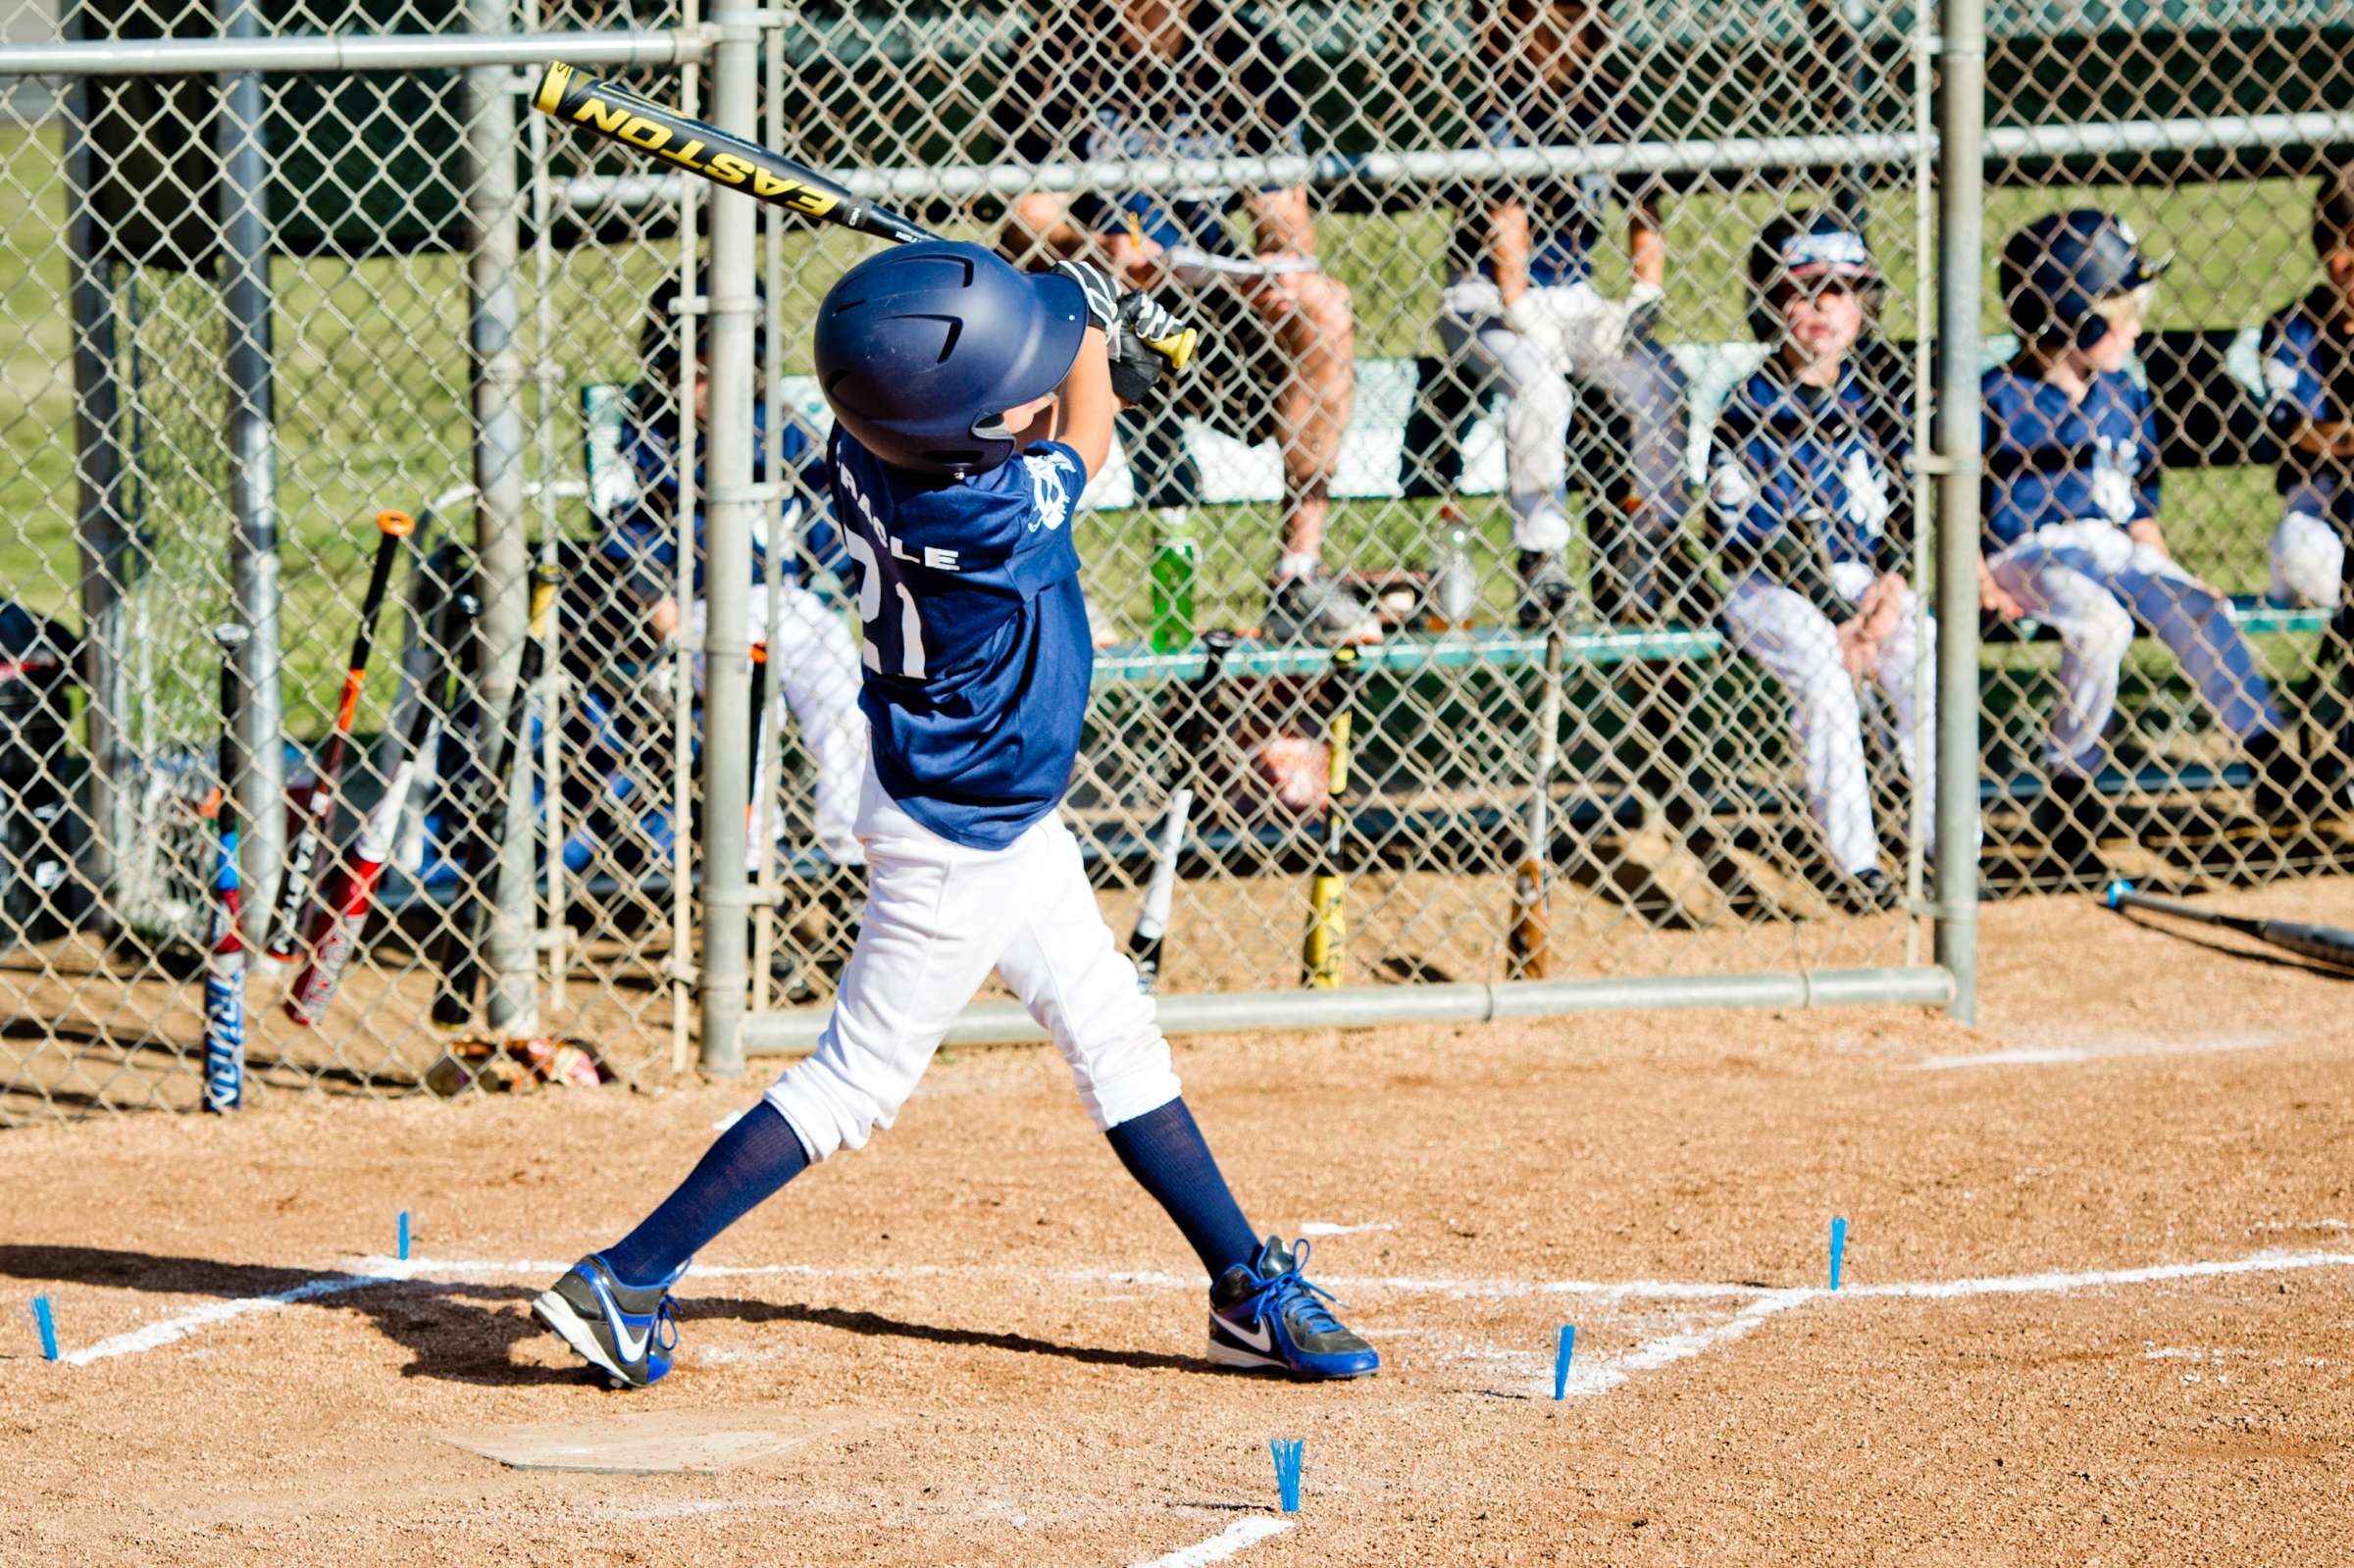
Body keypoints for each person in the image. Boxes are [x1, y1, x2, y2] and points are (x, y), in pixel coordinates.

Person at [532, 242, 1378, 1389]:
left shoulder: (865, 447)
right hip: (959, 834)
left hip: (987, 808)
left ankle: (1243, 1288)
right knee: (854, 1083)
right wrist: (1087, 325)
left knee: (1110, 1030)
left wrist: (1069, 334)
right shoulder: (987, 514)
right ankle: (627, 1276)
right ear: (974, 431)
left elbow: (1004, 404)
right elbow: (1084, 435)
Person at [993, 0, 1377, 645]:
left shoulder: (1242, 54)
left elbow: (1286, 220)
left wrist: (1278, 272)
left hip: (1212, 311)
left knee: (1325, 305)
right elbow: (1026, 218)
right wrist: (1093, 247)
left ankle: (1297, 575)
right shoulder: (1056, 54)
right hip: (1099, 304)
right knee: (1049, 325)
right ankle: (1037, 585)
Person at [1978, 209, 2317, 871]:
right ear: (2066, 316)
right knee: (2102, 624)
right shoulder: (1998, 396)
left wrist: (2168, 572)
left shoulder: (2121, 394)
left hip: (2108, 545)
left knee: (2197, 604)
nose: (2134, 328)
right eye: (2118, 314)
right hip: (2025, 552)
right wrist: (1980, 581)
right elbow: (1958, 503)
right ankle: (2070, 787)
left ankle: (2268, 754)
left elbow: (2139, 508)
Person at [1437, 0, 1694, 626]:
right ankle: (1541, 562)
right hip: (1485, 295)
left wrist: (1643, 294)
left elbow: (1645, 205)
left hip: (1572, 290)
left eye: (1572, 16)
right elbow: (1507, 218)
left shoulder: (1609, 102)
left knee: (1656, 382)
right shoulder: (1500, 104)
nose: (1555, 32)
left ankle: (1650, 561)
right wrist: (1519, 302)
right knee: (1539, 382)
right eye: (1537, 16)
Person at [604, 273, 869, 873]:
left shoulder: (773, 422)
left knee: (846, 704)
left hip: (787, 601)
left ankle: (849, 855)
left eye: (726, 371)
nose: (711, 389)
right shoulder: (648, 434)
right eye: (695, 375)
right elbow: (629, 528)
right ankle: (748, 864)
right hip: (703, 605)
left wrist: (861, 588)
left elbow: (831, 511)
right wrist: (654, 599)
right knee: (750, 720)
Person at [1710, 213, 1932, 910]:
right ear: (1770, 305)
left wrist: (1891, 590)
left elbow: (1908, 508)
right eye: (1803, 291)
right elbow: (1756, 535)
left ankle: (1947, 844)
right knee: (1826, 675)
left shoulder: (1877, 397)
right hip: (1769, 585)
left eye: (1842, 290)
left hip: (1862, 581)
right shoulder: (1747, 405)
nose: (1822, 308)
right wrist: (1843, 619)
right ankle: (1857, 862)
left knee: (1921, 651)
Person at [2260, 163, 2354, 612]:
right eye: (2345, 245)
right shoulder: (2292, 328)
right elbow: (2297, 429)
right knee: (2303, 560)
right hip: (2318, 500)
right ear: (2322, 248)